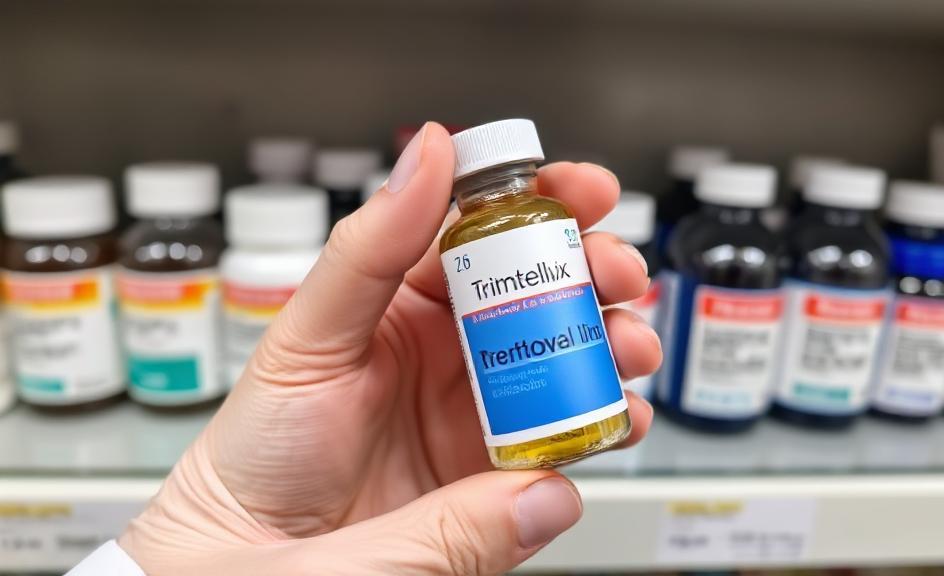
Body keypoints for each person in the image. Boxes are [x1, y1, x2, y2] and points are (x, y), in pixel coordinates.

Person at [70, 123, 660, 575]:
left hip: (571, 406)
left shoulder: (545, 217)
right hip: (510, 422)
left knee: (607, 331)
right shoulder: (467, 236)